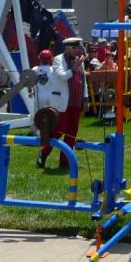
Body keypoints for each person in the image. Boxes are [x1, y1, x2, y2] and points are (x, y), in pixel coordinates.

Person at [37, 38, 85, 169]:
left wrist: (85, 99)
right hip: (62, 102)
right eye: (74, 48)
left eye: (77, 47)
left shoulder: (79, 60)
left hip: (75, 102)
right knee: (59, 131)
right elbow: (61, 76)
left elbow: (83, 79)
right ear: (67, 48)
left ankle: (65, 161)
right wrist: (74, 68)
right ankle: (44, 152)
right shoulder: (58, 59)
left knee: (72, 132)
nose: (77, 50)